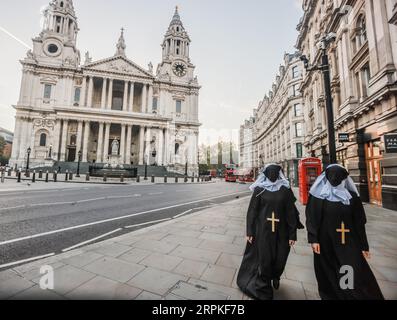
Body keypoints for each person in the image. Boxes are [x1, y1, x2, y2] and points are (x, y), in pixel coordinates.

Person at [305, 164, 384, 300]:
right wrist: (313, 239)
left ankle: (349, 295)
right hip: (325, 242)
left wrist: (364, 245)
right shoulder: (319, 196)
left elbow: (359, 222)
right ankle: (331, 295)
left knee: (350, 270)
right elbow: (312, 218)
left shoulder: (352, 197)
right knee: (327, 271)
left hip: (348, 242)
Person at [237, 164, 303, 300]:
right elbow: (252, 212)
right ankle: (264, 285)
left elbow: (291, 213)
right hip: (263, 231)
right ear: (266, 174)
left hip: (282, 232)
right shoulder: (259, 190)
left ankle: (276, 275)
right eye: (270, 173)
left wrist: (292, 234)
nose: (273, 175)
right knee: (265, 259)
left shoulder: (285, 190)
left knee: (280, 259)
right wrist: (249, 231)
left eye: (275, 173)